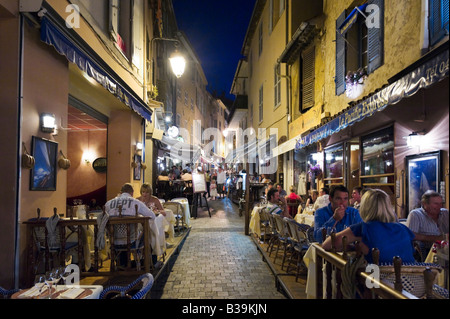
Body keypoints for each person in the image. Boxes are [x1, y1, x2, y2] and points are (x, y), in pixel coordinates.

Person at [322, 189, 416, 264]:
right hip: (410, 284)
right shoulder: (404, 229)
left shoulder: (364, 228)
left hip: (377, 284)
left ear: (365, 207)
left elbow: (326, 245)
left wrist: (352, 247)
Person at [104, 183, 157, 266]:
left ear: (121, 192)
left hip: (114, 241)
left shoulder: (108, 204)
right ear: (132, 193)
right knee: (147, 230)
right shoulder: (135, 202)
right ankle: (148, 261)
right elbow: (152, 216)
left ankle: (121, 263)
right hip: (131, 242)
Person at [406, 190, 449, 257]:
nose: (440, 206)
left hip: (446, 249)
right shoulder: (415, 214)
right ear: (424, 203)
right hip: (427, 251)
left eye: (441, 203)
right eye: (436, 204)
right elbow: (411, 235)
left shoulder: (445, 213)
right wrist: (436, 238)